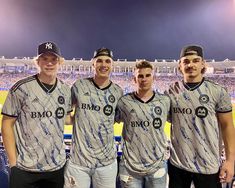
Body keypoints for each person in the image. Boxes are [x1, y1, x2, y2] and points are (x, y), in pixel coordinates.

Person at [1, 41, 72, 188]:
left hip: (56, 168)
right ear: (37, 62)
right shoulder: (20, 88)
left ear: (60, 62)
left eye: (53, 59)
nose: (49, 63)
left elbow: (65, 119)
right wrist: (13, 164)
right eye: (45, 59)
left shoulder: (65, 90)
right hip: (24, 169)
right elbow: (7, 123)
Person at [165, 45, 235, 188]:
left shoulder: (218, 91)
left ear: (203, 63)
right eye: (186, 61)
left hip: (208, 165)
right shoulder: (171, 91)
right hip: (178, 165)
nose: (191, 65)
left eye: (196, 60)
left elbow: (227, 126)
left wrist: (230, 160)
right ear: (180, 65)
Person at [64, 47, 123, 188]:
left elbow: (116, 118)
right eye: (100, 61)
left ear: (112, 65)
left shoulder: (118, 91)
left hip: (106, 163)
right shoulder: (79, 86)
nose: (104, 65)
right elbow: (67, 116)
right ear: (93, 64)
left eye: (108, 61)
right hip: (78, 162)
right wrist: (79, 119)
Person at [115, 60, 170, 188]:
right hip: (129, 166)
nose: (144, 79)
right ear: (134, 79)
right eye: (140, 76)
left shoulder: (165, 101)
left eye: (147, 75)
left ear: (153, 78)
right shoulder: (124, 102)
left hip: (157, 165)